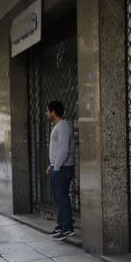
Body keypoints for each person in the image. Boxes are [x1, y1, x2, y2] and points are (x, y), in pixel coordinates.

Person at [46, 100, 75, 240]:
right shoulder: (60, 126)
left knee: (62, 198)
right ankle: (61, 225)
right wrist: (51, 165)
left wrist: (56, 167)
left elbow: (64, 149)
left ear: (53, 112)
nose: (47, 114)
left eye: (48, 111)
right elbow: (58, 150)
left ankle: (68, 228)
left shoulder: (63, 126)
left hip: (62, 168)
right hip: (58, 167)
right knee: (59, 198)